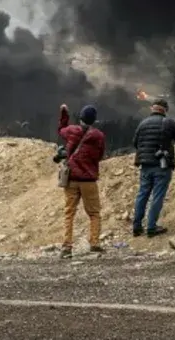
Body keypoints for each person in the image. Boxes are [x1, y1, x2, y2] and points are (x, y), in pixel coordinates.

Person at [57, 103, 106, 258]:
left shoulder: (72, 131)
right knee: (94, 213)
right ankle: (94, 243)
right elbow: (100, 156)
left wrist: (64, 114)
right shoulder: (99, 136)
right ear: (94, 120)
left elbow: (61, 130)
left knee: (69, 213)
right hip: (89, 180)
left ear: (81, 118)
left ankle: (66, 247)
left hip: (71, 179)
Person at [131, 97, 175, 238]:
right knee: (158, 196)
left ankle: (137, 226)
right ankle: (151, 227)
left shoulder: (143, 123)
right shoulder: (168, 122)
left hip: (145, 166)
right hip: (162, 166)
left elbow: (135, 143)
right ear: (165, 110)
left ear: (152, 108)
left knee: (142, 194)